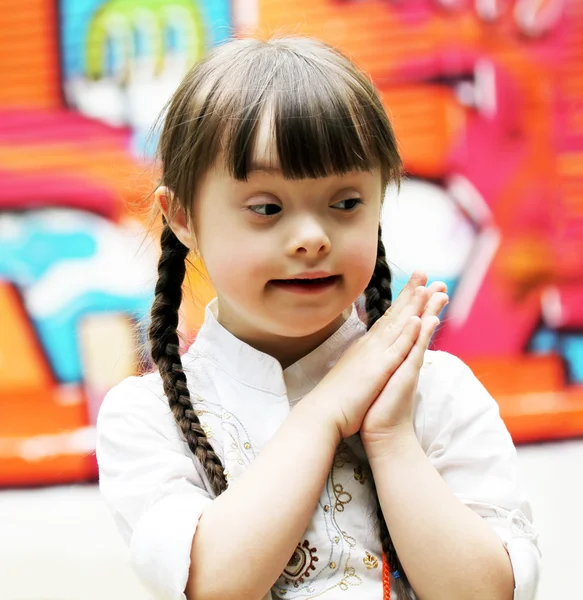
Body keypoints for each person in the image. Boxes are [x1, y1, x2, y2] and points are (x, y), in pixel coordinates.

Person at [96, 36, 541, 600]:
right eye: (267, 208)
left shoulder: (439, 393)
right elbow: (214, 584)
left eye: (346, 203)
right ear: (182, 216)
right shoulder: (144, 418)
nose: (311, 238)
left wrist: (390, 435)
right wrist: (327, 411)